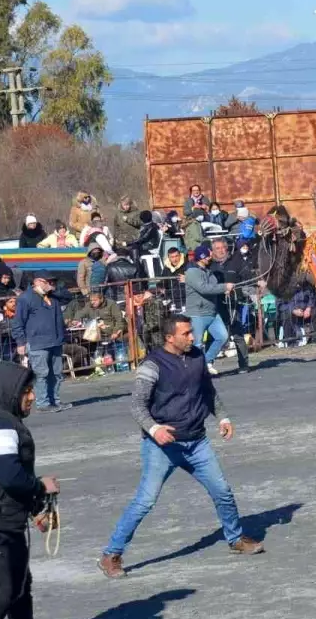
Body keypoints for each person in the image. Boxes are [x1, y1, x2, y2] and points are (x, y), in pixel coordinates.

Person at [98, 315, 264, 578]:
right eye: (186, 333)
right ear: (169, 337)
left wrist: (223, 417)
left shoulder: (197, 357)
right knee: (145, 501)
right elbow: (137, 405)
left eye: (191, 332)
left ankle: (235, 539)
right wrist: (154, 429)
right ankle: (111, 554)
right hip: (162, 446)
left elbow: (208, 392)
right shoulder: (152, 365)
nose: (192, 337)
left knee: (222, 491)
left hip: (197, 441)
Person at [0, 361, 67, 619]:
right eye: (27, 391)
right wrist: (40, 487)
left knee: (19, 582)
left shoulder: (2, 420)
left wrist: (35, 509)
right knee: (1, 591)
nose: (32, 396)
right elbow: (7, 474)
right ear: (9, 391)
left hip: (5, 518)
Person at [9, 273, 70, 412]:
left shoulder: (53, 295)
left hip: (55, 341)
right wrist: (20, 342)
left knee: (57, 373)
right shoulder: (26, 298)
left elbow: (68, 297)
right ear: (38, 282)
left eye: (53, 281)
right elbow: (18, 322)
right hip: (37, 342)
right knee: (41, 374)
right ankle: (43, 403)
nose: (52, 284)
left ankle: (55, 400)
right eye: (49, 281)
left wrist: (54, 289)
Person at [184, 244, 234, 375]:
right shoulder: (192, 272)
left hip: (212, 311)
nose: (210, 257)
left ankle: (206, 361)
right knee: (197, 344)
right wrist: (224, 287)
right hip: (197, 313)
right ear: (201, 257)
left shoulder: (208, 271)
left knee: (222, 337)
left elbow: (213, 286)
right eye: (208, 255)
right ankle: (195, 370)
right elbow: (204, 288)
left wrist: (224, 290)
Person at [210, 239, 251, 374]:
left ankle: (244, 364)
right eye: (217, 248)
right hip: (216, 303)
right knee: (213, 335)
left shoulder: (236, 261)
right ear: (213, 251)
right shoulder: (209, 265)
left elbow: (247, 276)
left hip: (233, 302)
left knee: (237, 334)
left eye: (223, 248)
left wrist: (237, 289)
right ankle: (207, 364)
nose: (221, 251)